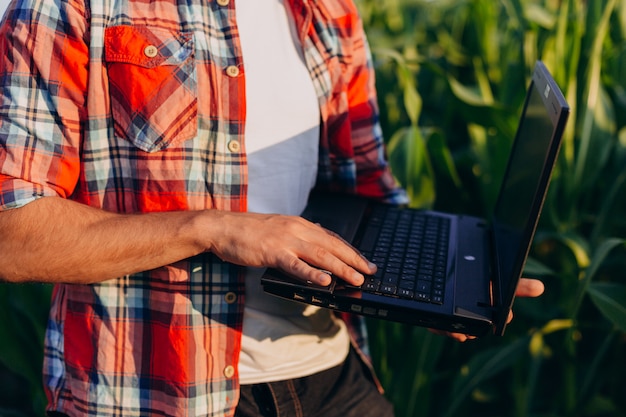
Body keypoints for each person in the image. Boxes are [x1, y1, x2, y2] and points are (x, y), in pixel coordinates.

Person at [0, 0, 544, 415]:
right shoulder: (67, 8)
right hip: (155, 391)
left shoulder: (325, 11)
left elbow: (366, 187)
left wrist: (441, 282)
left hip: (332, 375)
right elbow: (12, 234)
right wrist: (211, 228)